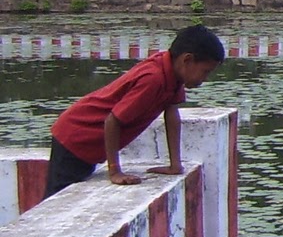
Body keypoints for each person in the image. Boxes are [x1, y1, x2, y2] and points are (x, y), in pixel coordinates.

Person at [46, 24, 226, 198]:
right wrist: (115, 171)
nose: (205, 78)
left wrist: (175, 165)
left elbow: (171, 114)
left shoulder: (173, 74)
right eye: (205, 71)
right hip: (75, 137)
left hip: (88, 145)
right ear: (187, 60)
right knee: (57, 200)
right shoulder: (154, 78)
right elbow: (112, 121)